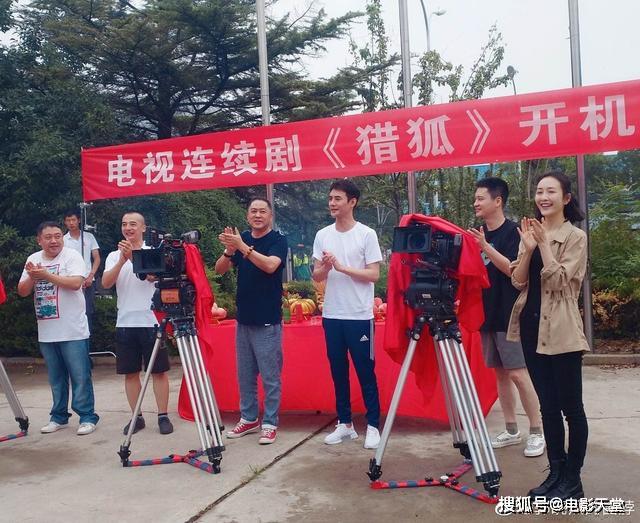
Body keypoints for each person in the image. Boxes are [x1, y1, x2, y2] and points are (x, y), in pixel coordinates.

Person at [506, 171, 590, 500]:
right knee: (548, 408)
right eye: (540, 191)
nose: (543, 197)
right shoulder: (530, 232)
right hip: (531, 328)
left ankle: (573, 479)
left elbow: (558, 282)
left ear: (566, 198)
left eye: (551, 191)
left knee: (572, 409)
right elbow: (518, 280)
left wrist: (542, 244)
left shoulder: (575, 237)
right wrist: (528, 249)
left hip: (562, 331)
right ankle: (555, 474)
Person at [468, 178, 545, 458]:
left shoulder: (515, 232)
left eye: (481, 198)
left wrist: (485, 247)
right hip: (487, 314)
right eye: (475, 199)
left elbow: (514, 272)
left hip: (510, 314)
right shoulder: (478, 234)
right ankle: (511, 429)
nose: (476, 203)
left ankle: (537, 431)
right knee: (500, 373)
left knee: (518, 373)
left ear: (498, 201)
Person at [312, 179, 382, 450]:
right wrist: (326, 267)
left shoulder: (366, 234)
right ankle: (345, 424)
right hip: (332, 315)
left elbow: (373, 274)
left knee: (365, 371)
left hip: (359, 316)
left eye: (337, 199)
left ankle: (373, 424)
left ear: (352, 202)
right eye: (330, 198)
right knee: (338, 371)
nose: (332, 203)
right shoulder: (323, 235)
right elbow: (317, 275)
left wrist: (342, 268)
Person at [215, 197, 288, 445]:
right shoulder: (242, 238)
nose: (257, 215)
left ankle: (270, 422)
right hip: (244, 320)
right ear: (247, 216)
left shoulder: (278, 240)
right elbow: (220, 269)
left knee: (270, 376)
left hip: (267, 320)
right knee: (245, 375)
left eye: (262, 211)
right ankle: (248, 418)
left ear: (270, 216)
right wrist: (230, 250)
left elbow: (270, 266)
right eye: (253, 211)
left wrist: (242, 247)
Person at [17, 221, 99, 435]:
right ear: (39, 240)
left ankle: (87, 417)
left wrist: (45, 275)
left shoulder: (72, 256)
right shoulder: (33, 258)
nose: (54, 241)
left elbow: (75, 283)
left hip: (73, 330)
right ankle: (59, 417)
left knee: (80, 376)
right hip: (47, 331)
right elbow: (22, 291)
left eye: (57, 236)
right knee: (56, 378)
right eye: (48, 237)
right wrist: (33, 276)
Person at [102, 211, 173, 435]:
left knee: (158, 371)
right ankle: (137, 417)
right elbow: (106, 283)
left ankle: (163, 416)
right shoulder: (114, 255)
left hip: (152, 321)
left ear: (143, 228)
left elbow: (154, 277)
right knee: (130, 373)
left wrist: (133, 257)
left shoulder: (153, 251)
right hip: (125, 322)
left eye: (133, 224)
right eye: (124, 224)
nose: (128, 228)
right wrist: (122, 260)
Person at [63, 210, 100, 335]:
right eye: (68, 220)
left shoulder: (88, 236)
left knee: (88, 311)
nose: (71, 223)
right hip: (71, 281)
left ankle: (87, 341)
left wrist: (90, 276)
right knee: (72, 311)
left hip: (89, 280)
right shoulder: (63, 240)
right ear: (65, 222)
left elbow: (97, 258)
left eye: (73, 220)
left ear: (79, 220)